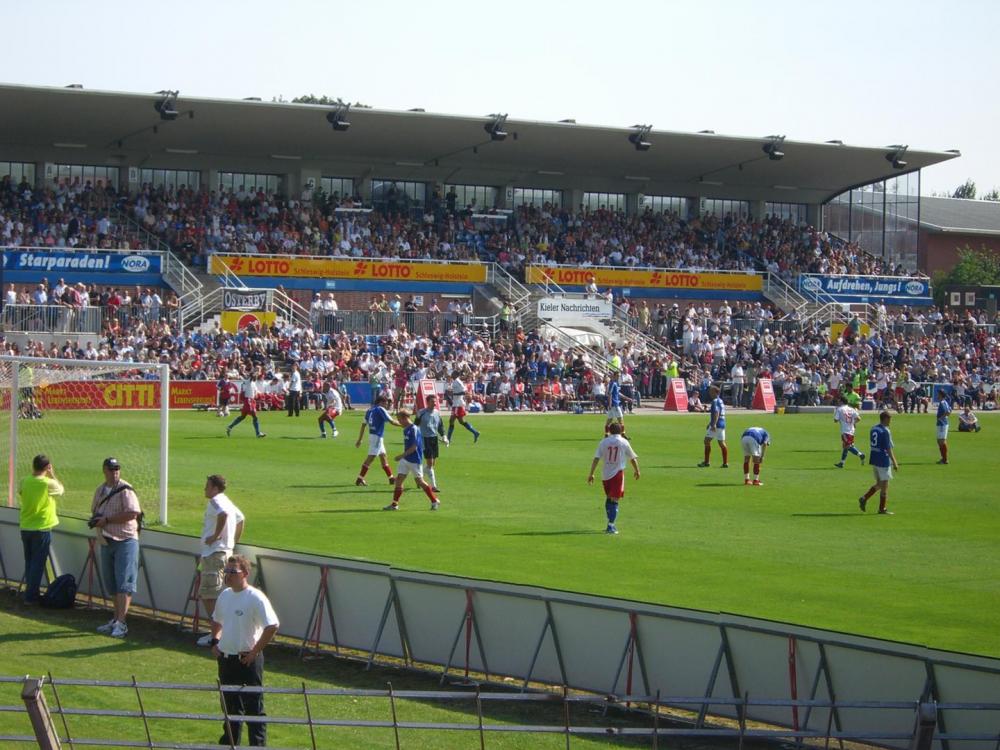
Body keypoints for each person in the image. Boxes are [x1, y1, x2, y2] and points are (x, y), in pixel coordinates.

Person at [209, 554, 279, 747]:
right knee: (230, 708)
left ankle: (256, 746)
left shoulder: (255, 597)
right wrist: (215, 641)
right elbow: (217, 619)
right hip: (226, 659)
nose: (228, 576)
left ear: (245, 574)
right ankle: (230, 744)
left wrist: (255, 652)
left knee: (254, 709)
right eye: (227, 571)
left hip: (247, 660)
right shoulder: (225, 595)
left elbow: (272, 626)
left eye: (233, 572)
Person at [90, 457, 142, 639]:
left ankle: (121, 622)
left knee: (124, 583)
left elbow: (132, 513)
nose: (114, 472)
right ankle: (115, 619)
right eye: (111, 469)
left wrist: (107, 520)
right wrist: (97, 521)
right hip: (106, 540)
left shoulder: (125, 490)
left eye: (117, 469)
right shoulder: (100, 490)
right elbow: (94, 510)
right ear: (104, 470)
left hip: (125, 540)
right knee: (112, 582)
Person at [197, 475, 245, 647]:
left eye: (207, 486)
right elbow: (241, 519)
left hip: (215, 553)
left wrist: (216, 536)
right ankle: (219, 631)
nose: (205, 489)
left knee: (209, 595)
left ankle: (217, 633)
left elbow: (223, 515)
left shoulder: (216, 501)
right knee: (216, 594)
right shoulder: (227, 500)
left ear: (215, 488)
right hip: (223, 552)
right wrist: (233, 542)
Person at [18, 454, 64, 604]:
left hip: (26, 526)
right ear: (46, 467)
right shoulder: (47, 483)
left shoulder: (24, 481)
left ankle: (31, 592)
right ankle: (31, 597)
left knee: (30, 562)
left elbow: (21, 491)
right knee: (37, 563)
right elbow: (61, 490)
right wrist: (52, 474)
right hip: (41, 528)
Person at [587, 423, 640, 534]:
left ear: (609, 431)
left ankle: (609, 523)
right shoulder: (624, 442)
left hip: (605, 474)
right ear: (621, 431)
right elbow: (632, 458)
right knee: (614, 499)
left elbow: (596, 458)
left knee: (609, 498)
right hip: (617, 474)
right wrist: (637, 470)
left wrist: (591, 473)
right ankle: (611, 526)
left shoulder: (603, 442)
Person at [384, 408, 441, 511]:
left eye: (399, 419)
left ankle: (434, 500)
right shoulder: (406, 428)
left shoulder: (414, 429)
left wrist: (401, 455)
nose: (399, 422)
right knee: (399, 480)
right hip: (405, 460)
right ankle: (394, 504)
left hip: (414, 460)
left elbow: (414, 447)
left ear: (405, 418)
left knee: (420, 482)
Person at [859, 411, 900, 514]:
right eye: (889, 419)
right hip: (883, 459)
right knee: (885, 485)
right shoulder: (885, 431)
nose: (890, 421)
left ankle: (865, 498)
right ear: (885, 419)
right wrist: (895, 462)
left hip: (874, 458)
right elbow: (888, 448)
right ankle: (881, 508)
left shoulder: (873, 428)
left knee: (879, 483)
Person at [355, 394, 400, 486]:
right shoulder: (380, 409)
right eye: (386, 403)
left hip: (373, 436)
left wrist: (360, 439)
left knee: (383, 456)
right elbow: (391, 421)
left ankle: (391, 478)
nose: (387, 405)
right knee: (371, 458)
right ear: (381, 402)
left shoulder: (369, 410)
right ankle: (360, 479)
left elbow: (363, 425)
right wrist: (405, 425)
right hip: (377, 437)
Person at [416, 393, 448, 492]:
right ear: (427, 402)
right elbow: (415, 425)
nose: (434, 403)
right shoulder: (421, 412)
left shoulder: (437, 413)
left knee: (432, 463)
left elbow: (440, 426)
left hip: (434, 439)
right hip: (425, 439)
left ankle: (419, 478)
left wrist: (444, 436)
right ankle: (433, 486)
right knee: (429, 462)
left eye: (435, 401)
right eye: (432, 401)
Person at [227, 370, 266, 438]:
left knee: (243, 417)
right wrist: (256, 372)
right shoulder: (247, 381)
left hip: (251, 401)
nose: (256, 377)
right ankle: (257, 433)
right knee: (254, 416)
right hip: (248, 401)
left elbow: (256, 392)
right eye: (255, 376)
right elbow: (251, 379)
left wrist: (260, 394)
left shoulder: (253, 383)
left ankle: (230, 427)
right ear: (251, 376)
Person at [698, 385, 729, 468]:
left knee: (706, 441)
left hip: (717, 424)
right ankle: (725, 463)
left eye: (711, 391)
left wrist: (713, 424)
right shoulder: (721, 401)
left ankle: (706, 462)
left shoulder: (715, 401)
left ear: (715, 392)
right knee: (722, 443)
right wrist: (710, 423)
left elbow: (716, 413)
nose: (710, 393)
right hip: (722, 424)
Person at [446, 371, 480, 443]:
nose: (451, 374)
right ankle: (475, 432)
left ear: (456, 375)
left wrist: (454, 393)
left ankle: (448, 439)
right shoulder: (455, 381)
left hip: (458, 404)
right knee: (461, 421)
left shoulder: (458, 382)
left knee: (452, 420)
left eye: (453, 373)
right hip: (456, 404)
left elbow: (464, 391)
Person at [833, 396, 865, 468]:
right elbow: (859, 418)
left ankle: (860, 455)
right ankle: (842, 463)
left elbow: (835, 420)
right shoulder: (852, 409)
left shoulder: (839, 409)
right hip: (852, 430)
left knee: (847, 446)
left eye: (839, 400)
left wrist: (838, 417)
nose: (838, 402)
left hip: (845, 431)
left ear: (841, 401)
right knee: (845, 447)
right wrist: (853, 423)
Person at [604, 370, 630, 437]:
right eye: (617, 376)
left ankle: (606, 434)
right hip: (615, 404)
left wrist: (626, 398)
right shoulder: (613, 383)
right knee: (620, 419)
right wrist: (610, 404)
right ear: (614, 376)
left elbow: (618, 393)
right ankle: (623, 434)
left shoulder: (616, 383)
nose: (618, 377)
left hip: (614, 404)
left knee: (609, 420)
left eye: (619, 376)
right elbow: (610, 393)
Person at [936, 393, 952, 465]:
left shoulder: (942, 403)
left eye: (938, 394)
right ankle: (943, 458)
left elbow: (948, 412)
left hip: (942, 424)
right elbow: (950, 410)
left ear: (941, 395)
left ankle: (945, 459)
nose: (937, 395)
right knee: (939, 441)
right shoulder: (944, 402)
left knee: (942, 441)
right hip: (941, 423)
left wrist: (941, 418)